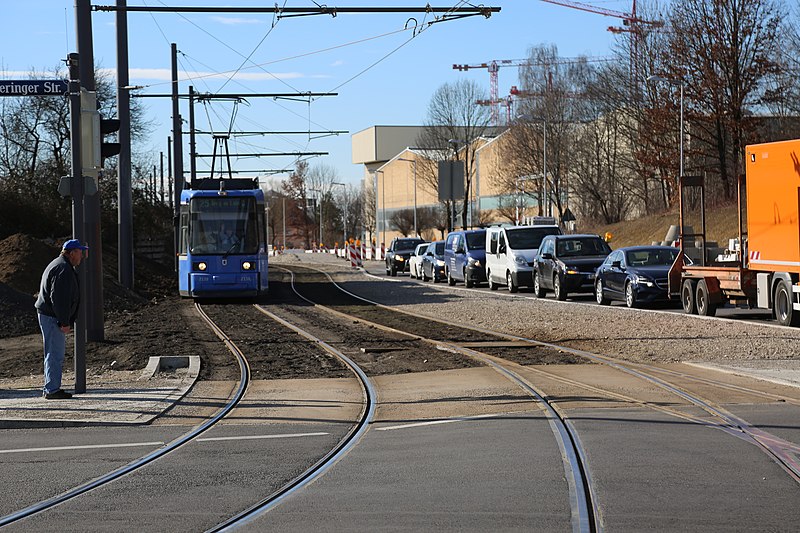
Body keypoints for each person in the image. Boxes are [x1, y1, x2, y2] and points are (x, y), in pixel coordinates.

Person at [34, 239, 88, 400]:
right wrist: (64, 321)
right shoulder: (63, 268)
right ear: (72, 253)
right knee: (54, 353)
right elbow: (59, 298)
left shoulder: (60, 265)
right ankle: (52, 389)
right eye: (80, 252)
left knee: (53, 352)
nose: (82, 256)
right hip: (52, 317)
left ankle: (51, 387)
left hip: (49, 315)